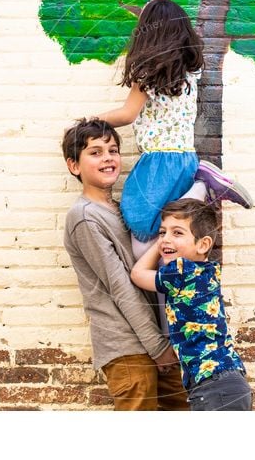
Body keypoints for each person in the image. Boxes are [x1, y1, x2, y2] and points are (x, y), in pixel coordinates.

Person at [95, 0, 252, 260]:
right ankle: (200, 183)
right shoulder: (189, 70)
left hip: (157, 163)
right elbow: (164, 16)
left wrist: (91, 121)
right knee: (171, 226)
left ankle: (200, 188)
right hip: (185, 160)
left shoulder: (147, 73)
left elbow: (127, 114)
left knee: (139, 223)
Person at [62, 118, 188, 411]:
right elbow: (119, 285)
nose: (108, 158)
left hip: (154, 340)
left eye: (113, 150)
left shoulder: (125, 210)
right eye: (95, 152)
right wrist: (158, 348)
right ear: (74, 166)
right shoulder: (84, 217)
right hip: (128, 348)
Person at [130, 198, 253, 411]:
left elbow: (137, 274)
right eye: (162, 232)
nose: (166, 239)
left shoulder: (180, 272)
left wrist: (157, 244)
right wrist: (168, 240)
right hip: (229, 381)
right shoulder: (209, 271)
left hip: (212, 386)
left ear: (203, 244)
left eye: (177, 233)